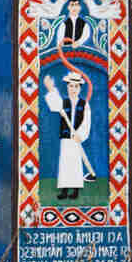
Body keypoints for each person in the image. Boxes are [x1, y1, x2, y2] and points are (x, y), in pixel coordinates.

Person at [43, 71, 94, 200]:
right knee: (65, 162)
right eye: (71, 86)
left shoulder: (84, 105)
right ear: (67, 87)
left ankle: (76, 190)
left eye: (76, 86)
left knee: (76, 163)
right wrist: (50, 89)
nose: (73, 89)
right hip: (66, 138)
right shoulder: (63, 103)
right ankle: (64, 190)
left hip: (76, 139)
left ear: (80, 88)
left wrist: (80, 135)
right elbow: (54, 105)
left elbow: (87, 122)